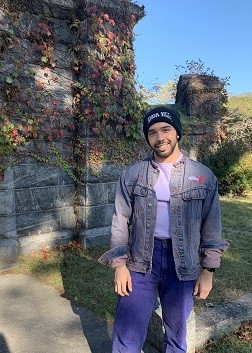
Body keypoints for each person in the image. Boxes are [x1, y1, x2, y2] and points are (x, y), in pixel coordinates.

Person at [99, 106, 230, 353]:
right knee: (127, 334)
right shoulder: (132, 174)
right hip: (139, 262)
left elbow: (212, 227)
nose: (160, 138)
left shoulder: (203, 176)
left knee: (177, 336)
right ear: (147, 138)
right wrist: (119, 266)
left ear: (177, 133)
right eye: (152, 132)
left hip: (183, 265)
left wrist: (208, 271)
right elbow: (120, 220)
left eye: (166, 129)